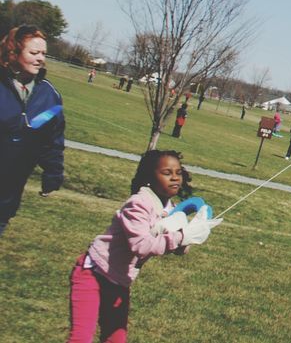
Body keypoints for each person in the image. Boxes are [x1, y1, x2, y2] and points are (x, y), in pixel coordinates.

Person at [67, 150, 219, 342]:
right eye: (167, 172)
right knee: (80, 338)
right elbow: (141, 245)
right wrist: (180, 237)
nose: (174, 178)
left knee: (115, 338)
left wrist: (189, 237)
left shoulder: (172, 210)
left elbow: (175, 244)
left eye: (178, 172)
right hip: (93, 273)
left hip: (120, 280)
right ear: (150, 178)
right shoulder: (138, 204)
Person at [0, 25, 65, 238]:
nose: (40, 59)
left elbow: (53, 139)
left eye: (43, 54)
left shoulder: (49, 96)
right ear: (14, 52)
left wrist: (53, 173)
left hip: (8, 194)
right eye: (33, 53)